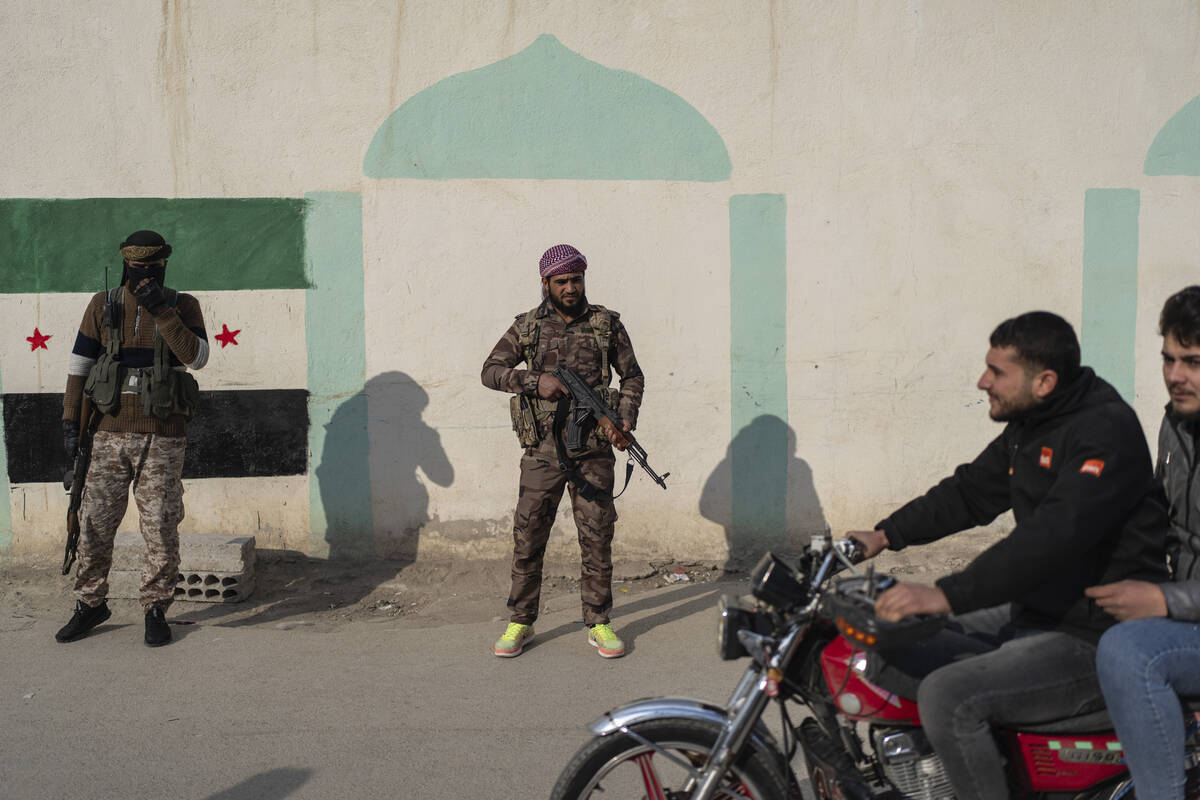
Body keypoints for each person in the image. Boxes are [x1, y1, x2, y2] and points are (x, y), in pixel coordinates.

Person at [846, 311, 1168, 800]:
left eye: (997, 373)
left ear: (1044, 381)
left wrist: (944, 595)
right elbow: (971, 493)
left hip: (1095, 635)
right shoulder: (1034, 422)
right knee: (883, 644)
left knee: (948, 695)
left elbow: (1050, 539)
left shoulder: (1104, 431)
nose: (983, 381)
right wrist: (885, 534)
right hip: (1040, 611)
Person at [481, 244, 644, 659]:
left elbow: (632, 376)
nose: (571, 287)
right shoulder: (528, 327)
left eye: (576, 279)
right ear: (546, 284)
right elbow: (491, 371)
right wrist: (535, 382)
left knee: (597, 536)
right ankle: (521, 621)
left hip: (593, 453)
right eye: (562, 281)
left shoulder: (607, 325)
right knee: (529, 535)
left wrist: (623, 420)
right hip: (542, 452)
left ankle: (599, 622)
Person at [55, 230, 209, 647]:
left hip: (163, 434)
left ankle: (156, 607)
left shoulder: (182, 304)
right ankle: (90, 603)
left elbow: (196, 357)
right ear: (126, 265)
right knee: (93, 522)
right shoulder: (102, 305)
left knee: (160, 523)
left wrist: (161, 310)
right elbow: (79, 365)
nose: (145, 276)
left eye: (153, 270)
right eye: (139, 269)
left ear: (163, 267)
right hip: (106, 431)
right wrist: (71, 423)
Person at [1088, 286, 1200, 800]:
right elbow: (1161, 524)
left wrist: (1164, 600)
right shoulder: (1176, 425)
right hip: (1186, 611)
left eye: (1193, 362)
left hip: (1186, 612)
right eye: (1169, 359)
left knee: (1132, 654)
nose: (1175, 376)